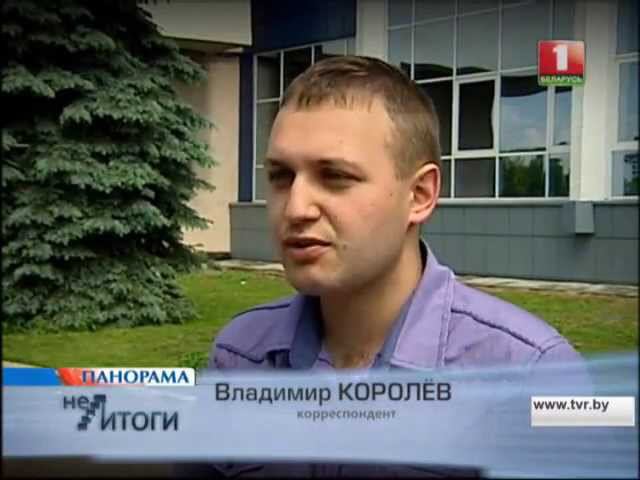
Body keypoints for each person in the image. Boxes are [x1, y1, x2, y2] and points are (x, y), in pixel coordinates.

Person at [195, 55, 586, 478]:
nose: (295, 208)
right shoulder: (241, 354)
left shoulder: (530, 375)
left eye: (335, 176)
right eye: (281, 176)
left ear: (420, 195)